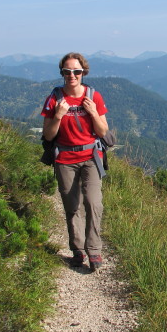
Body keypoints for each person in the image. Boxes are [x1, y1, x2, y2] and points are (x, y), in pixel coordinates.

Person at [41, 52, 109, 271]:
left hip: (91, 157)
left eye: (76, 71)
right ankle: (78, 250)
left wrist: (93, 112)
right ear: (62, 73)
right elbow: (49, 135)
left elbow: (103, 130)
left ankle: (95, 250)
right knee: (72, 206)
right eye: (67, 71)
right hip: (65, 159)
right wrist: (59, 115)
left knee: (93, 202)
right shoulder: (55, 99)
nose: (72, 75)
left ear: (83, 72)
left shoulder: (93, 96)